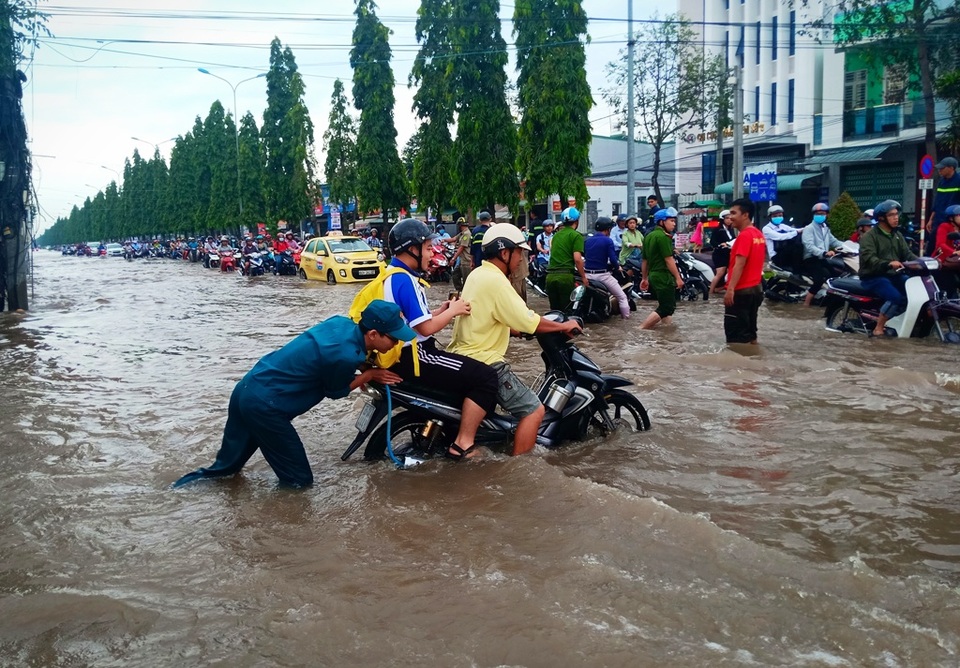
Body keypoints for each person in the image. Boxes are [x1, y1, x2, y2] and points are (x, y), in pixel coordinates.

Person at [172, 300, 415, 488]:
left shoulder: (340, 323)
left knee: (225, 470)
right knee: (299, 482)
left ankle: (178, 489)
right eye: (393, 338)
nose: (395, 344)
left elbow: (329, 354)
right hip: (266, 407)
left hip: (246, 389)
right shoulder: (345, 356)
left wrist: (363, 367)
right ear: (373, 334)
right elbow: (336, 391)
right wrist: (370, 375)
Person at [448, 223, 581, 456]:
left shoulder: (478, 274)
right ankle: (520, 466)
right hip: (485, 361)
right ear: (504, 252)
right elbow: (531, 320)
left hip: (463, 356)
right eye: (519, 252)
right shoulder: (497, 280)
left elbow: (486, 316)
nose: (521, 259)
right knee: (533, 411)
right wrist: (564, 326)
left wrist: (513, 330)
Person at [384, 219, 500, 459]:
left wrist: (441, 310)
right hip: (416, 356)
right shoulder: (406, 280)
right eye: (427, 248)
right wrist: (453, 311)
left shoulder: (392, 275)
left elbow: (413, 321)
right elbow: (425, 329)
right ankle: (463, 444)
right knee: (487, 377)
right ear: (411, 250)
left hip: (403, 355)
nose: (431, 254)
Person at [858, 199, 918, 337]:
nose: (896, 217)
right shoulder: (869, 237)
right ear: (881, 218)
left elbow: (908, 254)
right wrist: (888, 263)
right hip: (873, 276)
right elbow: (870, 259)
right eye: (891, 215)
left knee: (910, 289)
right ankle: (878, 328)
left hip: (892, 274)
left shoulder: (897, 235)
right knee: (895, 297)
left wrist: (923, 261)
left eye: (896, 214)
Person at [723, 198, 766, 344]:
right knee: (750, 332)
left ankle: (740, 367)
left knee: (735, 339)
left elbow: (739, 264)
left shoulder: (745, 236)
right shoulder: (758, 234)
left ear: (745, 215)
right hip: (755, 290)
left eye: (734, 213)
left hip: (741, 292)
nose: (730, 217)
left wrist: (730, 289)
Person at [639, 207, 684, 329]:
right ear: (661, 222)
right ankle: (641, 328)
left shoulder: (649, 236)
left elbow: (645, 260)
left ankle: (667, 333)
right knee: (667, 307)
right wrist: (678, 278)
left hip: (653, 276)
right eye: (671, 221)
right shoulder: (664, 237)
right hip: (663, 276)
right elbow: (668, 259)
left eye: (674, 221)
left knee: (666, 306)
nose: (674, 224)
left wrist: (644, 278)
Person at [584, 217, 631, 319]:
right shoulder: (608, 241)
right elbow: (613, 259)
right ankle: (626, 321)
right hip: (602, 276)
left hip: (587, 275)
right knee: (622, 297)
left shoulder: (588, 240)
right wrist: (618, 267)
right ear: (608, 229)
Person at [800, 202, 844, 306]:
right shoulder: (809, 228)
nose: (820, 216)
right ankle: (806, 304)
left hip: (822, 258)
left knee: (834, 275)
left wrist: (849, 246)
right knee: (819, 280)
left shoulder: (825, 228)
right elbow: (809, 245)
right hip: (810, 258)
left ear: (827, 215)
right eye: (818, 213)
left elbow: (834, 241)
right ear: (814, 215)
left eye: (822, 213)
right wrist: (824, 253)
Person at [545, 207, 588, 310]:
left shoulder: (556, 236)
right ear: (576, 221)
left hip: (550, 277)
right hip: (565, 277)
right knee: (567, 311)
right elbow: (577, 259)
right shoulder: (576, 236)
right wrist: (583, 277)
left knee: (555, 313)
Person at [926, 157, 960, 254]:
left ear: (951, 168)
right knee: (932, 245)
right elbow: (937, 202)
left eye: (942, 168)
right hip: (939, 220)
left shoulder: (958, 181)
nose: (939, 170)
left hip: (953, 221)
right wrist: (931, 219)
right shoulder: (941, 182)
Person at [932, 204, 960, 298]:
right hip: (943, 264)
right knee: (949, 285)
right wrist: (954, 252)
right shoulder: (944, 226)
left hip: (956, 263)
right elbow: (940, 244)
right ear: (951, 218)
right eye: (959, 215)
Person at [708, 210, 735, 295]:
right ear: (722, 219)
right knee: (720, 273)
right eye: (727, 218)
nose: (729, 220)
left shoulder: (731, 230)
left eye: (730, 218)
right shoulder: (718, 229)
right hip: (719, 254)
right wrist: (720, 244)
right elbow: (712, 242)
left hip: (728, 254)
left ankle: (722, 289)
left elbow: (733, 239)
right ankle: (710, 292)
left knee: (729, 272)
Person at [450, 218, 472, 292]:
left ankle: (466, 295)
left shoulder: (467, 234)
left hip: (466, 261)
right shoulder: (462, 233)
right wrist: (443, 240)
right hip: (461, 261)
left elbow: (461, 247)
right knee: (455, 275)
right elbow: (453, 239)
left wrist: (453, 258)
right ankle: (460, 291)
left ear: (460, 225)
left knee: (466, 281)